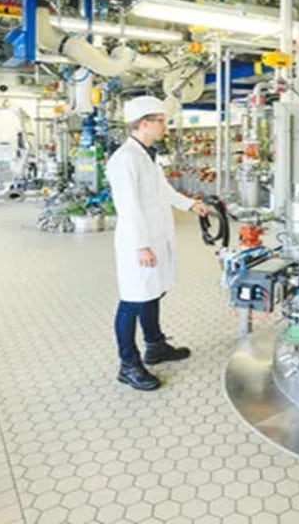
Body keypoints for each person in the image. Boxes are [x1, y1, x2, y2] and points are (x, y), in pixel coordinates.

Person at [106, 96, 211, 391]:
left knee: (152, 292)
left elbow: (163, 191)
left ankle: (155, 345)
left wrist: (191, 205)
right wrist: (141, 245)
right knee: (133, 300)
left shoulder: (147, 156)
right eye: (161, 121)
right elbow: (128, 208)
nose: (166, 127)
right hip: (138, 241)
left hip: (154, 236)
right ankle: (128, 364)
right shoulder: (124, 160)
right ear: (144, 124)